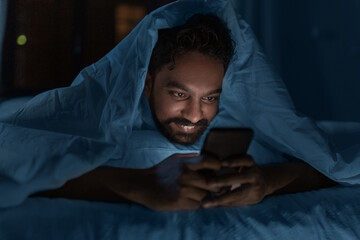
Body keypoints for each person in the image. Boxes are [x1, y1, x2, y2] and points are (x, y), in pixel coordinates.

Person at [33, 14, 336, 211]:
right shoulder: (102, 112)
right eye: (179, 94)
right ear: (148, 84)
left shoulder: (239, 126)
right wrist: (140, 185)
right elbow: (20, 161)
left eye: (210, 97)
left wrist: (267, 182)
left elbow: (329, 168)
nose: (194, 115)